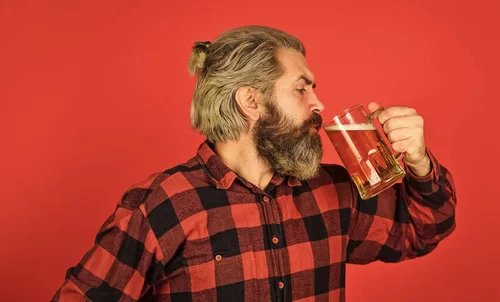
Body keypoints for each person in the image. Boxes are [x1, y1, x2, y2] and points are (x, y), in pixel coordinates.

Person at [52, 25, 456, 302]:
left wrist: (419, 163)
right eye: (302, 88)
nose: (318, 104)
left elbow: (424, 230)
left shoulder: (331, 192)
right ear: (251, 101)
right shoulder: (163, 206)